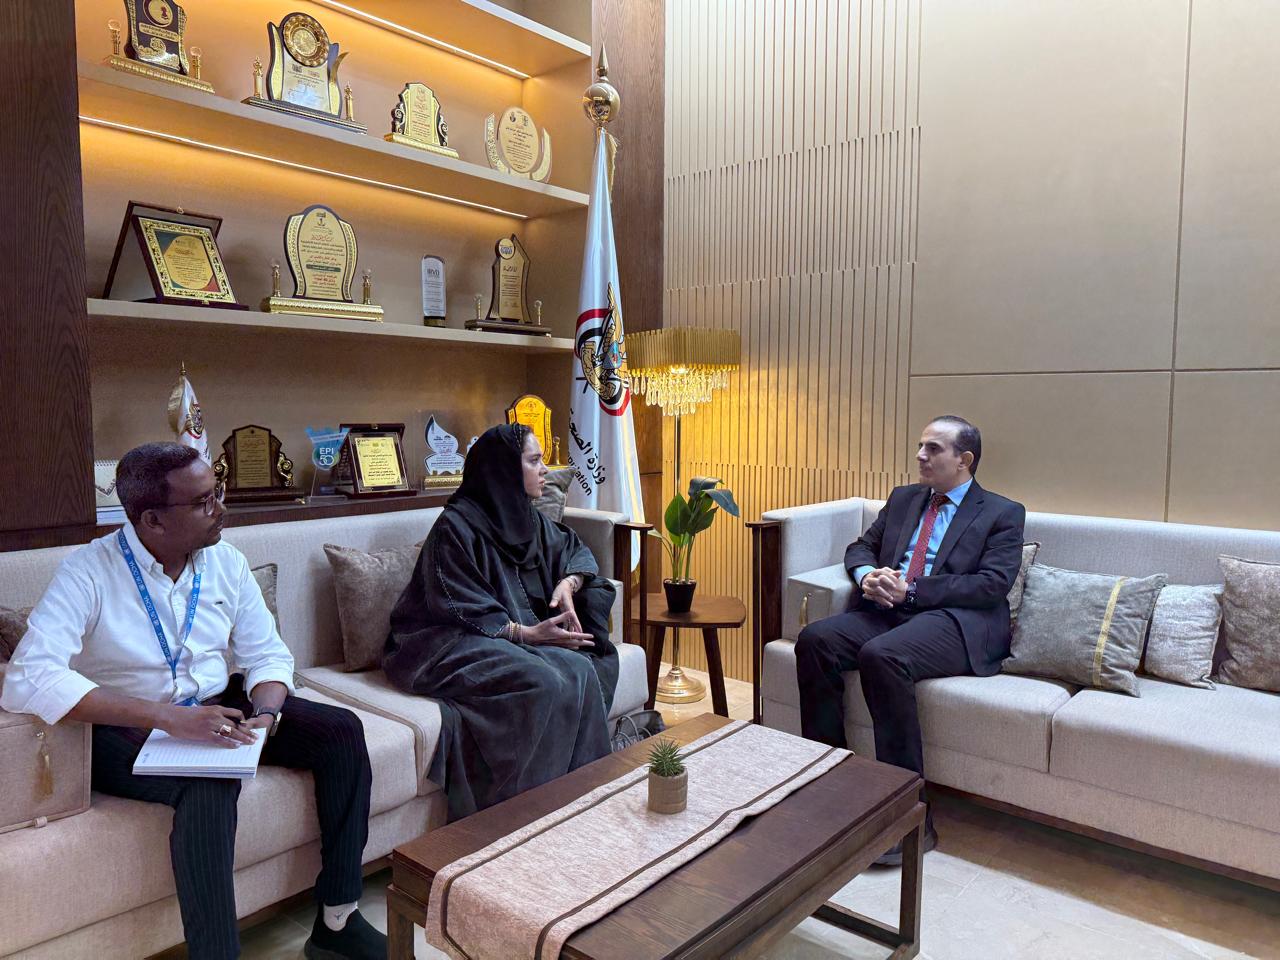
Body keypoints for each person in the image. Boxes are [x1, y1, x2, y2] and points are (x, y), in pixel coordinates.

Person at [0, 443, 384, 960]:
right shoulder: (88, 571)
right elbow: (29, 677)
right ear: (152, 520)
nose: (220, 508)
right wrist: (167, 718)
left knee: (340, 730)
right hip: (126, 722)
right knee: (209, 783)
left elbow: (267, 653)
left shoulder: (225, 560)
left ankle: (337, 921)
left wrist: (267, 714)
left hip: (215, 704)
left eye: (216, 492)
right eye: (203, 502)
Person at [795, 416, 1025, 864]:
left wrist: (912, 591)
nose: (920, 456)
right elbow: (861, 547)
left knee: (882, 656)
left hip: (953, 620)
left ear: (964, 459)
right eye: (921, 446)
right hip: (888, 611)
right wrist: (868, 576)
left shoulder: (1002, 512)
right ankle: (831, 786)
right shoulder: (904, 499)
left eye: (933, 449)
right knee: (815, 640)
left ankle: (908, 816)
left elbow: (992, 584)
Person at [384, 423, 618, 820]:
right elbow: (456, 604)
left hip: (499, 636)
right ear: (505, 469)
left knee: (581, 668)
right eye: (534, 461)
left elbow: (573, 548)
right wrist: (526, 633)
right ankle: (519, 817)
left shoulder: (526, 518)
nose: (544, 469)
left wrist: (568, 582)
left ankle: (581, 801)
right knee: (542, 681)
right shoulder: (455, 527)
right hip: (443, 641)